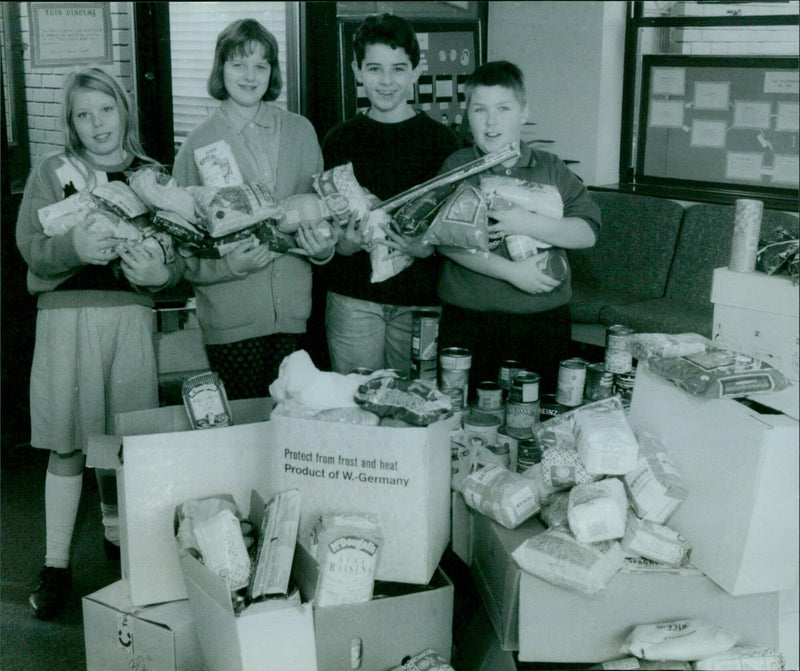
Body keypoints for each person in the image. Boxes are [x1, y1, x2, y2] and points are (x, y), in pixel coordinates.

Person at [15, 67, 183, 620]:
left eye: (105, 109)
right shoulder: (51, 172)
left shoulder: (153, 175)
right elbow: (30, 251)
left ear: (124, 110)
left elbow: (180, 256)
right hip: (65, 319)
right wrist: (73, 247)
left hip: (130, 321)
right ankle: (55, 563)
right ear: (71, 124)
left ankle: (125, 550)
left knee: (127, 447)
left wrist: (160, 275)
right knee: (67, 445)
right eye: (83, 115)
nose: (97, 124)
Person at [172, 18, 335, 400]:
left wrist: (323, 249)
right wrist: (230, 266)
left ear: (272, 72)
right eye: (238, 64)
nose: (250, 75)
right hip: (231, 320)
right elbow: (182, 249)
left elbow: (324, 216)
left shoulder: (300, 131)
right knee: (245, 433)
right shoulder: (198, 144)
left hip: (295, 315)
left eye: (261, 65)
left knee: (292, 429)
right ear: (221, 69)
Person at [436, 61, 601, 397]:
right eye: (480, 109)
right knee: (465, 417)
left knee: (536, 416)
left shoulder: (551, 167)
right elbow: (445, 241)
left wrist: (526, 223)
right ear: (468, 115)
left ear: (523, 112)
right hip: (470, 322)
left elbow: (587, 232)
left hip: (542, 322)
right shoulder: (457, 167)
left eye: (503, 108)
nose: (491, 120)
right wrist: (513, 272)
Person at [319, 13, 459, 375]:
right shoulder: (338, 140)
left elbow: (456, 229)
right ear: (357, 70)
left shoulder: (443, 143)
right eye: (374, 68)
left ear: (416, 71)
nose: (386, 81)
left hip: (422, 304)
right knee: (354, 408)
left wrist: (425, 248)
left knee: (416, 410)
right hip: (354, 301)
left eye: (398, 69)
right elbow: (327, 228)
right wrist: (343, 245)